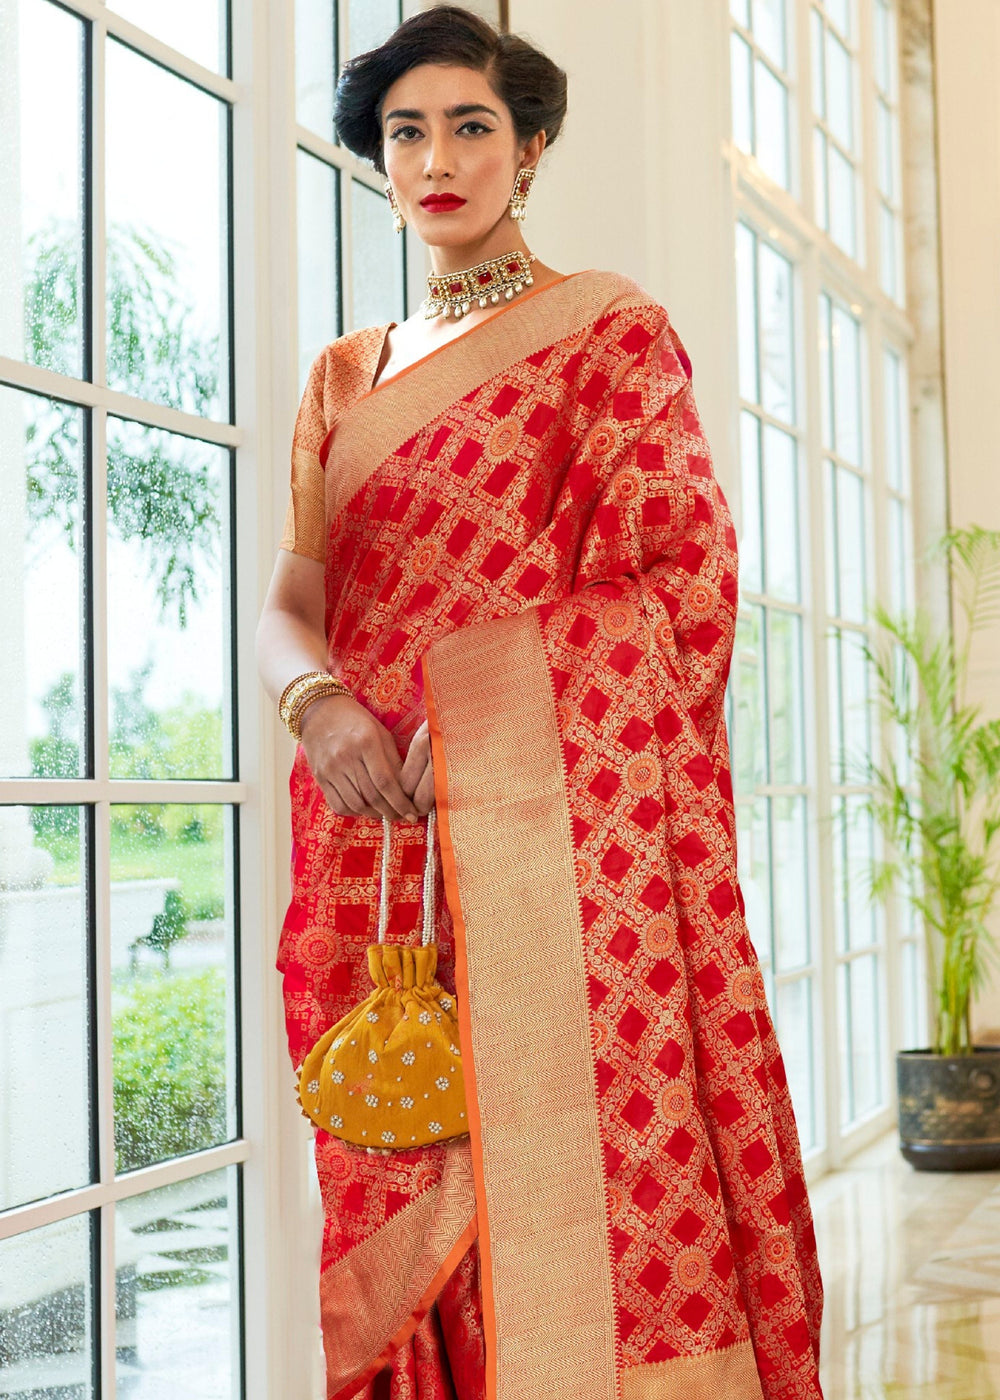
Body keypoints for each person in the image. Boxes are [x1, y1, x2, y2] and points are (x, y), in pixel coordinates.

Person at [256, 7, 825, 1399]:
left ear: (533, 147)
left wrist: (480, 710)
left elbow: (681, 589)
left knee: (573, 1162)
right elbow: (288, 606)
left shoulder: (605, 338)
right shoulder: (342, 380)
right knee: (400, 1150)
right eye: (406, 132)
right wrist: (321, 708)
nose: (437, 158)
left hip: (554, 837)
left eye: (471, 127)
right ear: (376, 161)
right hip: (370, 843)